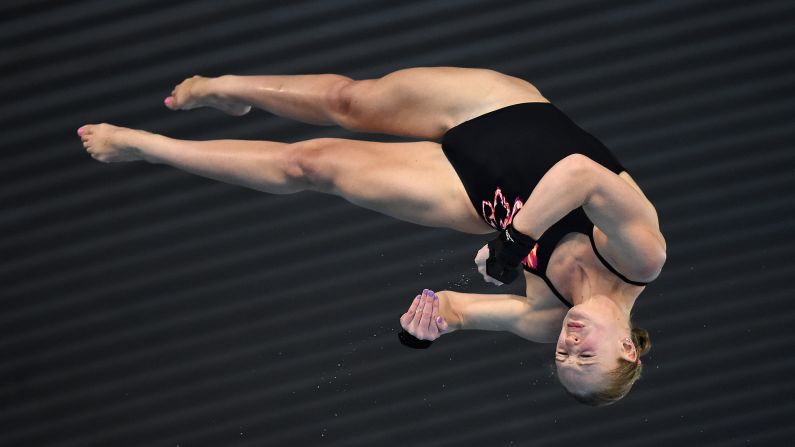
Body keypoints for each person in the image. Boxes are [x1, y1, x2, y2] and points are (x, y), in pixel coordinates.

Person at [77, 67, 666, 406]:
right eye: (584, 353)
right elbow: (582, 175)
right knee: (347, 101)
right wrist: (515, 242)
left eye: (563, 356)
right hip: (505, 110)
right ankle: (225, 88)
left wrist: (425, 327)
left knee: (311, 166)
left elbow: (455, 309)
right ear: (627, 347)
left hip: (470, 190)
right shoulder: (640, 259)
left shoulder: (543, 318)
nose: (567, 341)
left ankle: (146, 148)